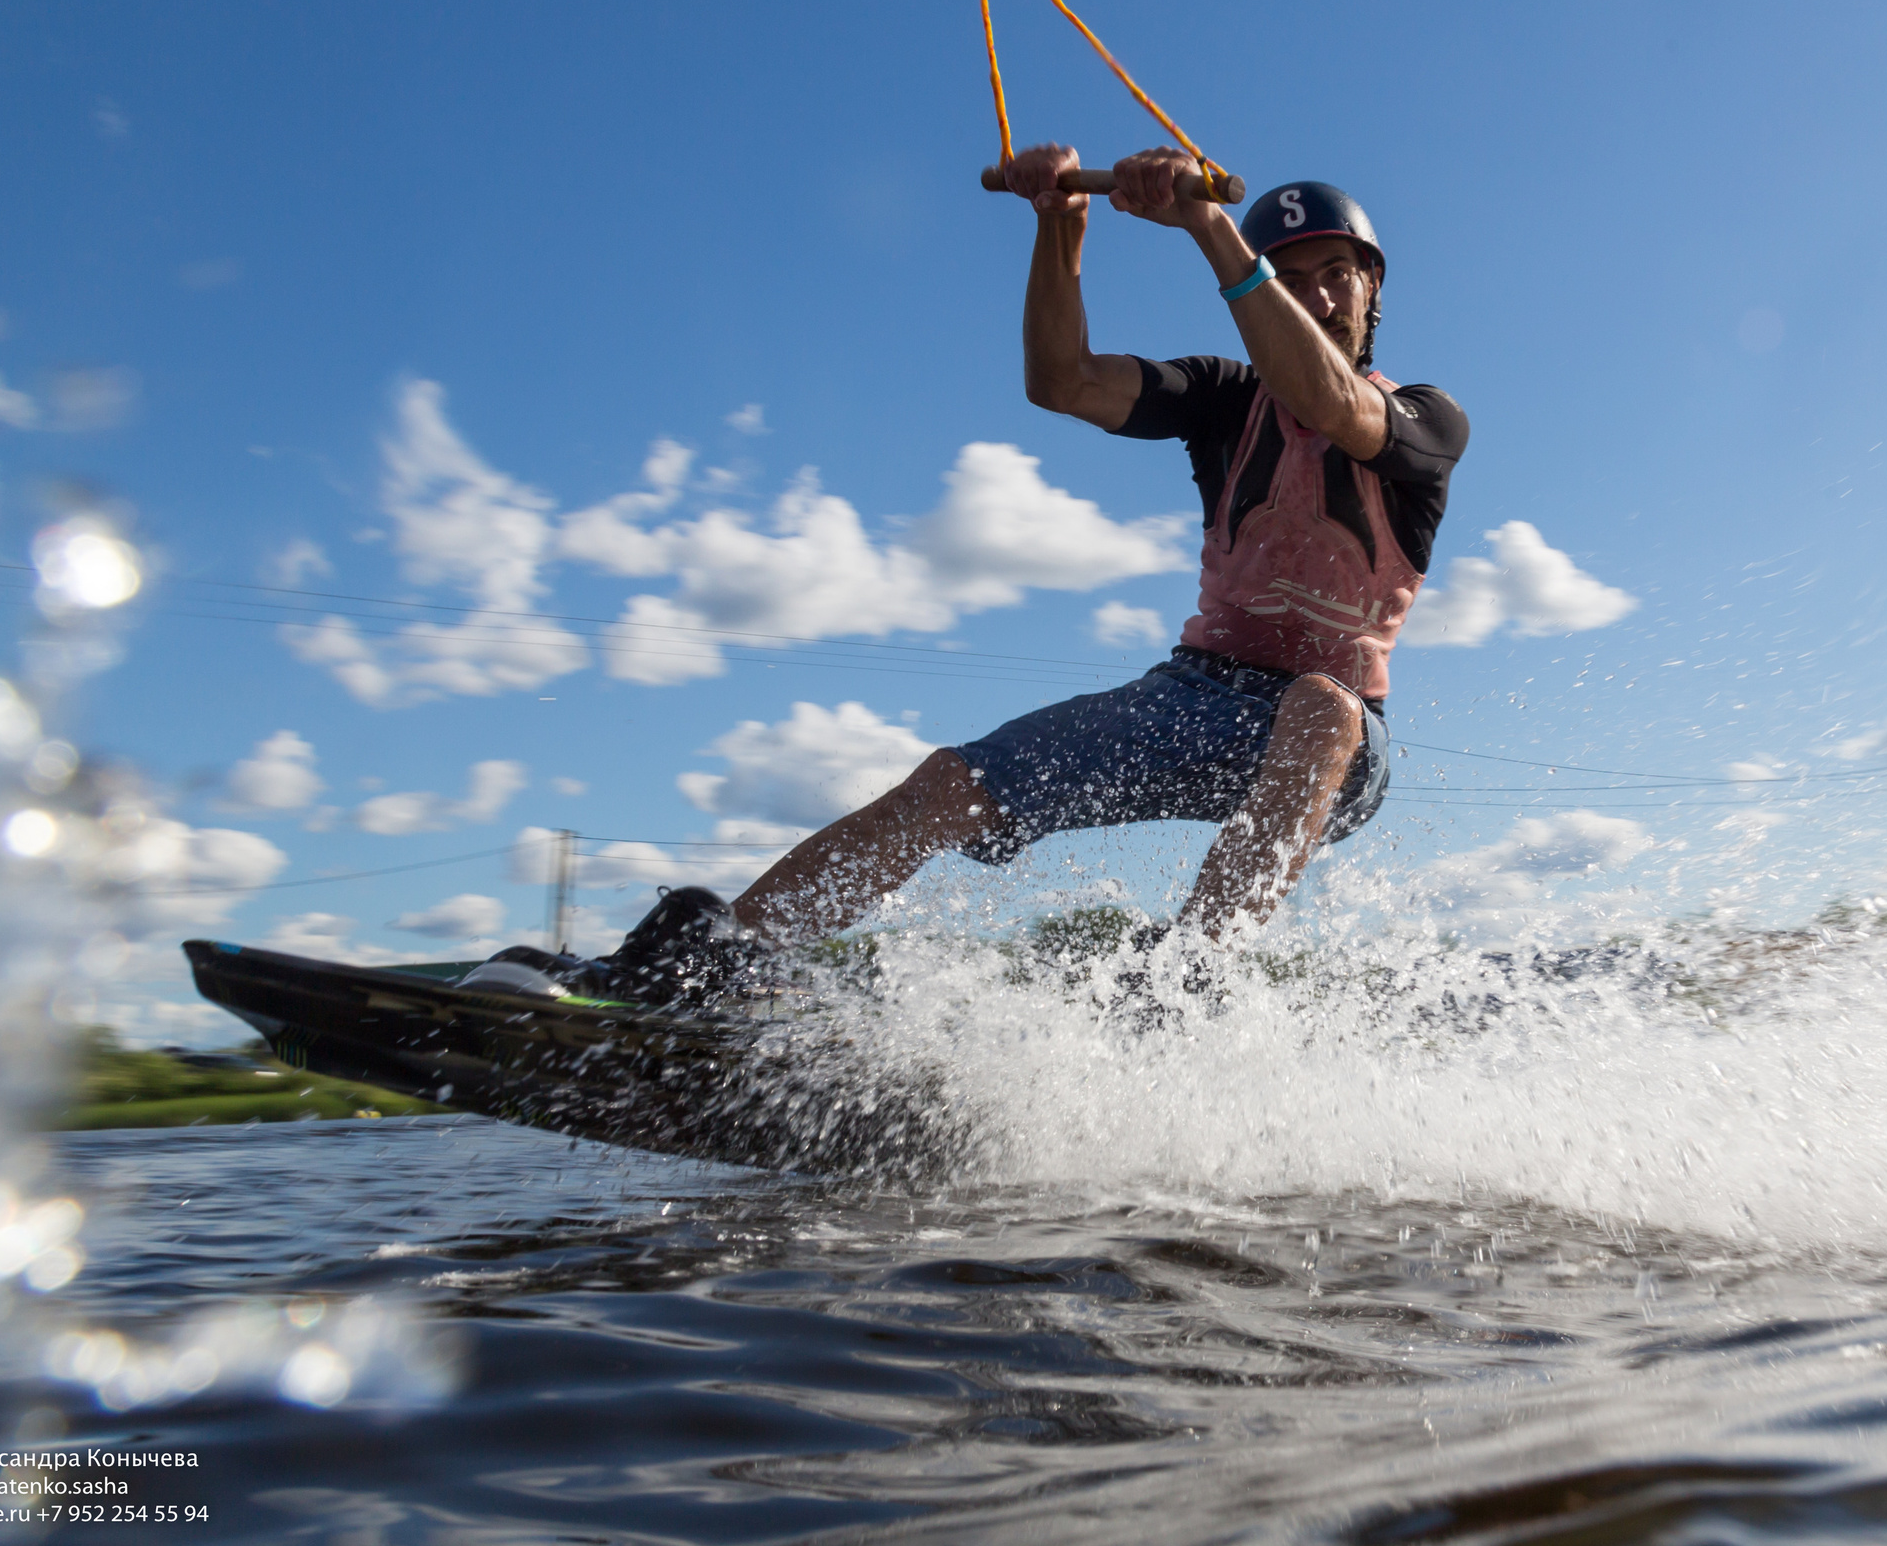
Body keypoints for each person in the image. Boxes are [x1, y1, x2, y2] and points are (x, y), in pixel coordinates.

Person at [612, 143, 1467, 997]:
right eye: (1292, 278)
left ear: (1372, 288)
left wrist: (1205, 225)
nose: (1319, 297)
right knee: (947, 784)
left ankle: (1182, 987)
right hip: (1193, 699)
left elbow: (1329, 403)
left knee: (1321, 706)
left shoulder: (1428, 420)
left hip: (1337, 746)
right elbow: (1062, 381)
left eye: (1337, 275)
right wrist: (1060, 227)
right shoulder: (1225, 398)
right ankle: (714, 968)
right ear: (1263, 290)